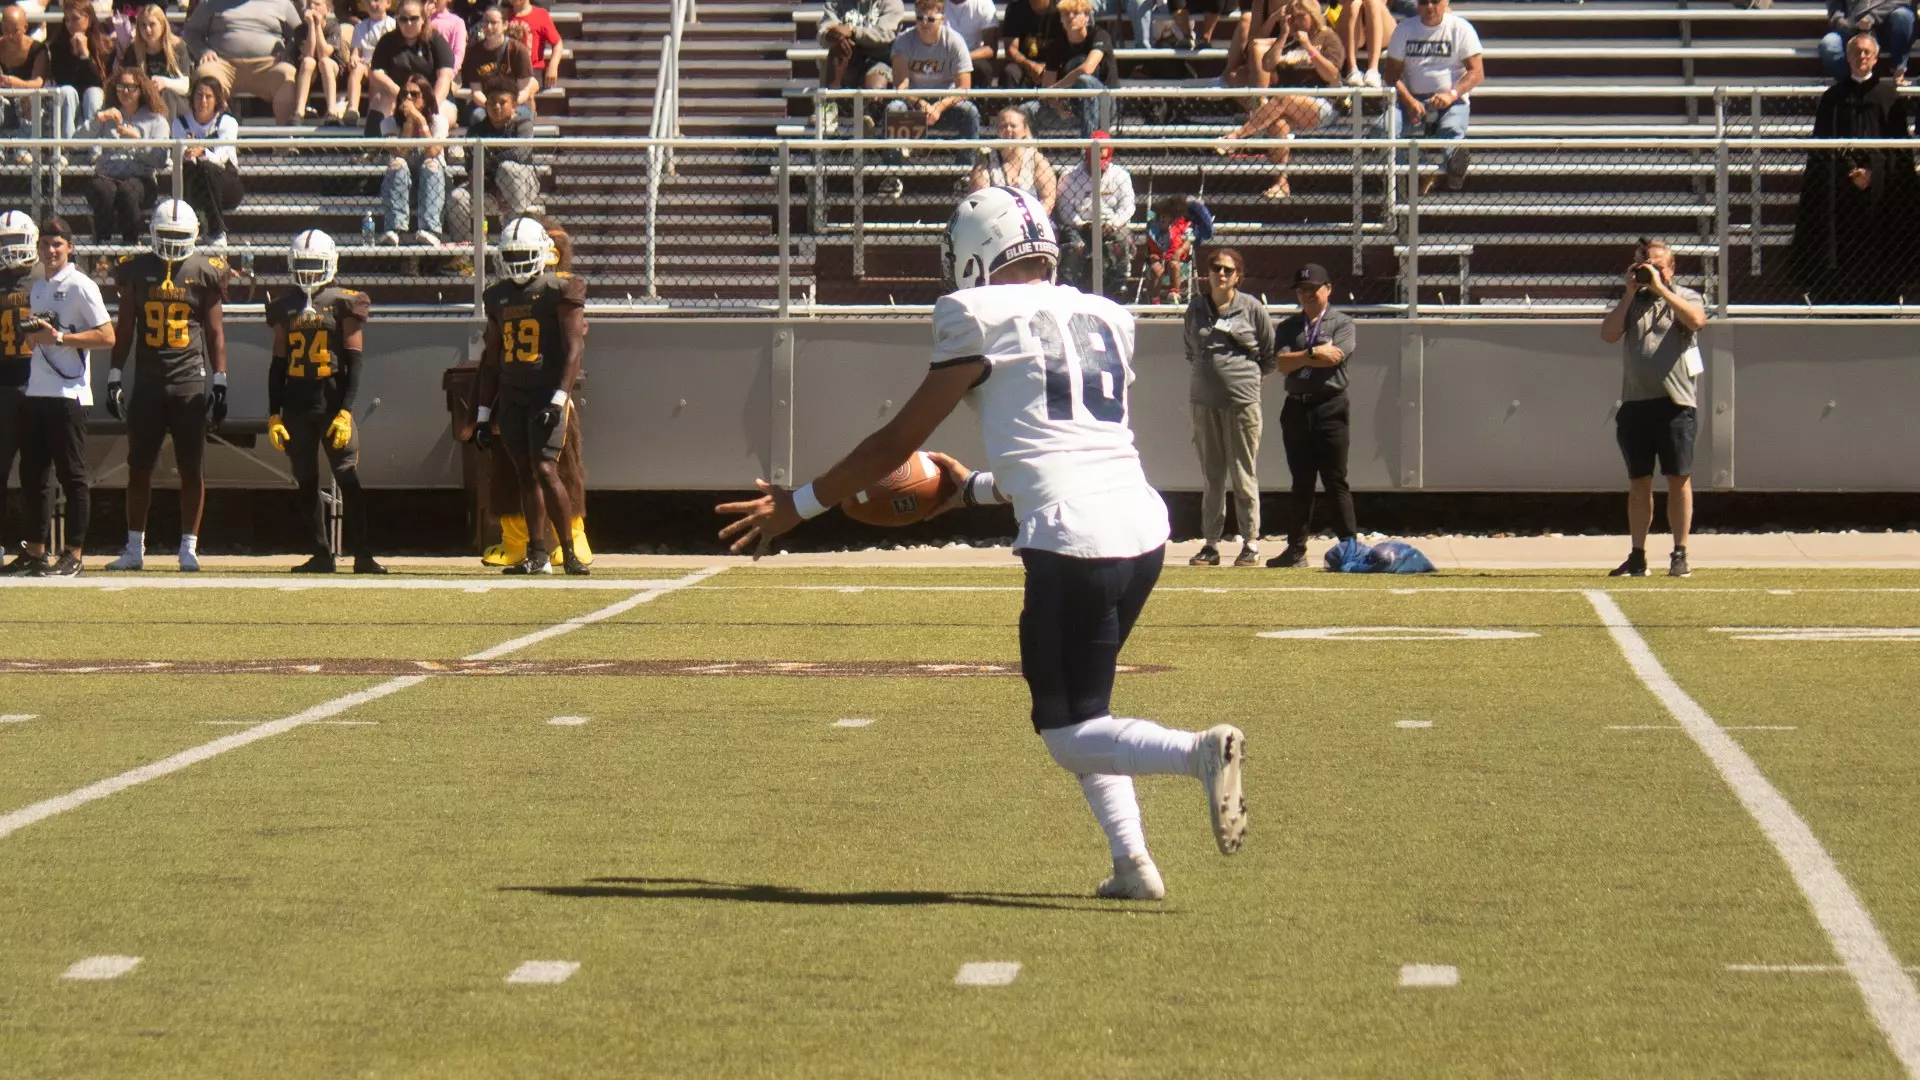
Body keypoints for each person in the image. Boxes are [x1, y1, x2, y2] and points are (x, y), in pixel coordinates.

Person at [716, 186, 1248, 902]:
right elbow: (1065, 446)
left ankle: (1197, 753)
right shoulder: (1104, 313)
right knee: (1092, 714)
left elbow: (897, 442)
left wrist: (799, 507)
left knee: (1065, 732)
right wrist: (972, 491)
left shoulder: (974, 313)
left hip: (1074, 540)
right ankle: (1133, 864)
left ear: (973, 256)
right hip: (1142, 529)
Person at [103, 199, 233, 573]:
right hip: (148, 383)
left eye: (179, 236)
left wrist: (220, 380)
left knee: (192, 468)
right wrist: (114, 373)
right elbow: (125, 328)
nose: (173, 244)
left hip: (189, 383)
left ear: (194, 235)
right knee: (138, 467)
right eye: (166, 236)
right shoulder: (136, 271)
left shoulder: (206, 271)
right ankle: (133, 548)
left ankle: (189, 547)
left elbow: (214, 331)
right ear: (152, 235)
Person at [464, 217, 588, 576]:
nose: (518, 261)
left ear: (545, 253)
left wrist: (559, 396)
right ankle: (537, 555)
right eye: (513, 254)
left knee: (547, 469)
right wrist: (484, 415)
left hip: (545, 394)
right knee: (524, 473)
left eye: (525, 253)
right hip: (513, 392)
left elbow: (573, 348)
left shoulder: (561, 288)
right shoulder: (499, 295)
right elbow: (491, 359)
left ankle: (569, 551)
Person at [265, 229, 385, 573]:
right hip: (297, 405)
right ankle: (321, 553)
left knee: (347, 475)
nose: (308, 271)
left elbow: (355, 361)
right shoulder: (284, 306)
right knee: (304, 479)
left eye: (314, 264)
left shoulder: (345, 301)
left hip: (332, 404)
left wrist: (345, 411)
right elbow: (277, 364)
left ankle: (363, 554)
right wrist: (274, 414)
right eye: (302, 264)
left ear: (330, 263)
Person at [1598, 237, 1708, 580]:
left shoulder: (1685, 295)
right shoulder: (1631, 300)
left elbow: (1696, 320)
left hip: (1675, 404)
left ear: (1672, 268)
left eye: (1658, 265)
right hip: (1635, 403)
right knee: (1639, 482)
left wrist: (1661, 288)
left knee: (1679, 479)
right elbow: (1609, 333)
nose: (1650, 271)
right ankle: (1637, 555)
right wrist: (1630, 292)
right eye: (1644, 265)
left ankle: (1679, 553)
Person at [11, 218, 112, 577]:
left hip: (69, 394)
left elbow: (107, 337)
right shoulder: (38, 287)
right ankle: (36, 551)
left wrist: (61, 339)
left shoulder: (81, 285)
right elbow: (43, 338)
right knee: (33, 474)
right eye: (46, 245)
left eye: (58, 244)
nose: (51, 251)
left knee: (72, 474)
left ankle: (74, 553)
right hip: (37, 390)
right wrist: (35, 337)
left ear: (70, 247)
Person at [1786, 33, 1920, 305]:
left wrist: (1873, 172)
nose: (1862, 57)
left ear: (1875, 57)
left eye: (1867, 53)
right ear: (1847, 58)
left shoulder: (1888, 97)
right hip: (1841, 196)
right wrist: (1851, 170)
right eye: (1857, 52)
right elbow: (1823, 149)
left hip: (1882, 199)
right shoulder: (1833, 99)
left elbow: (1899, 151)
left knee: (1883, 253)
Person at [1184, 246, 1273, 568]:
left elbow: (1269, 354)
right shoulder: (1195, 309)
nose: (1221, 274)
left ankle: (1250, 543)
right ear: (1207, 273)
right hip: (1204, 403)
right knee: (1212, 476)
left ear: (1238, 276)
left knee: (1243, 474)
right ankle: (1210, 543)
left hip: (1241, 403)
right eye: (1216, 268)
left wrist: (1245, 382)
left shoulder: (1251, 309)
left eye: (1228, 270)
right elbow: (1191, 350)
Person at [1268, 261, 1357, 568]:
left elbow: (1336, 357)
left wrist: (1301, 360)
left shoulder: (1342, 324)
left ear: (1327, 289)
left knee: (1335, 480)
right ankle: (1296, 550)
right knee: (1301, 481)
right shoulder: (1288, 327)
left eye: (1312, 288)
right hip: (1296, 407)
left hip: (1330, 406)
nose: (1306, 294)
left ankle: (1349, 548)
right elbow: (1281, 364)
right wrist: (1311, 354)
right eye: (1301, 289)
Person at [1216, 0, 1345, 200]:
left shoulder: (1328, 37)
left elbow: (1333, 74)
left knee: (1282, 98)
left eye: (1302, 17)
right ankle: (1281, 183)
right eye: (1294, 18)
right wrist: (1284, 35)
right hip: (1292, 106)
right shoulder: (1290, 39)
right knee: (1277, 123)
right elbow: (1267, 64)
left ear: (1313, 16)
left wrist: (1309, 47)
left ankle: (1237, 136)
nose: (1298, 22)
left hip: (1322, 103)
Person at [1377, 0, 1481, 193]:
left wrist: (1451, 94)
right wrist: (1409, 101)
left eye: (1436, 1)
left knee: (1450, 130)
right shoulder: (1404, 29)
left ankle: (1455, 165)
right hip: (1410, 100)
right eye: (1424, 2)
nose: (1430, 7)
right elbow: (1391, 75)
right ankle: (1421, 167)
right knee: (1380, 130)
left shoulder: (1461, 28)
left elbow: (1476, 73)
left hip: (1452, 101)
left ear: (1446, 2)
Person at [880, 0, 979, 187]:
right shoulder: (903, 41)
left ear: (942, 18)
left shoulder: (954, 41)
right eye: (920, 18)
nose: (924, 23)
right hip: (913, 102)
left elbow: (964, 88)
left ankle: (964, 173)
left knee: (970, 111)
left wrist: (939, 106)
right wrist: (920, 103)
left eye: (930, 19)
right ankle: (892, 174)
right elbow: (901, 86)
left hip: (946, 103)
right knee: (894, 108)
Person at [84, 69, 171, 263]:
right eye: (120, 87)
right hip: (108, 175)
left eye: (131, 87)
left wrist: (138, 142)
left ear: (141, 90)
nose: (124, 91)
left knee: (127, 191)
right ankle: (103, 249)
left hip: (142, 179)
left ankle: (130, 248)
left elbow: (160, 160)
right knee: (100, 189)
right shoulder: (106, 116)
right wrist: (97, 121)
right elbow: (74, 142)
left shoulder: (156, 121)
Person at [446, 76, 539, 243]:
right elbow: (473, 170)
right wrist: (494, 189)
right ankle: (463, 252)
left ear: (514, 105)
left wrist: (488, 162)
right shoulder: (476, 130)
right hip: (487, 188)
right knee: (456, 197)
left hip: (522, 186)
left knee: (508, 168)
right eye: (492, 102)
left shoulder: (523, 125)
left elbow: (519, 155)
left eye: (502, 102)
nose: (496, 107)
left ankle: (512, 239)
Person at [182, 0, 302, 127]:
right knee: (205, 75)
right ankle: (207, 137)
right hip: (224, 64)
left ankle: (285, 139)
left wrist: (288, 51)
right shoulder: (211, 2)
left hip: (268, 65)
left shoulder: (281, 3)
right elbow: (192, 32)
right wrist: (203, 50)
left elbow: (299, 33)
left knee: (287, 74)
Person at [1054, 131, 1134, 300]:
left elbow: (1127, 208)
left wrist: (1113, 223)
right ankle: (1069, 291)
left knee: (1120, 240)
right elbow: (1065, 208)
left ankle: (1117, 287)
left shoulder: (1121, 176)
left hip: (1110, 224)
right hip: (1080, 224)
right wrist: (1081, 224)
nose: (1099, 166)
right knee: (1073, 245)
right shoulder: (1069, 176)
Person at [0, 210, 36, 573]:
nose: (10, 250)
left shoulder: (46, 277)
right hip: (3, 384)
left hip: (39, 385)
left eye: (15, 241)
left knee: (36, 471)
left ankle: (34, 545)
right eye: (4, 242)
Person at [376, 73, 447, 246]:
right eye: (404, 94)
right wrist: (409, 122)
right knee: (397, 164)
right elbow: (401, 153)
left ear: (426, 98)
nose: (408, 97)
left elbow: (432, 151)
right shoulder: (389, 123)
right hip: (401, 184)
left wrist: (420, 119)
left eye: (414, 94)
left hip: (432, 183)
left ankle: (430, 230)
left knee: (431, 164)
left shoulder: (439, 122)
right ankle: (395, 229)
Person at [173, 76, 244, 247]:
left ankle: (216, 231)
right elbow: (181, 155)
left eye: (208, 96)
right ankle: (189, 226)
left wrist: (202, 151)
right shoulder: (180, 123)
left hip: (226, 183)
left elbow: (221, 157)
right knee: (192, 168)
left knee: (206, 167)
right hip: (194, 182)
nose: (203, 101)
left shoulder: (227, 122)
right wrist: (192, 154)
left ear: (217, 100)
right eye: (198, 95)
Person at [815, 0, 904, 133]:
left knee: (877, 80)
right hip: (847, 62)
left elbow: (886, 34)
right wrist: (834, 34)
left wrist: (852, 31)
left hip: (878, 60)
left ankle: (870, 117)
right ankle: (830, 107)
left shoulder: (891, 2)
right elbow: (824, 31)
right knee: (839, 47)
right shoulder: (836, 3)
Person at [367, 0, 454, 135]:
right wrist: (400, 95)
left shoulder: (436, 40)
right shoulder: (387, 41)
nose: (408, 23)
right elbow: (377, 73)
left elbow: (445, 76)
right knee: (379, 101)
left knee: (440, 117)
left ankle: (436, 153)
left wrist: (430, 104)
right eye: (403, 19)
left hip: (433, 100)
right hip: (399, 97)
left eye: (414, 18)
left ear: (423, 19)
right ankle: (370, 150)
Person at [1031, 0, 1112, 139]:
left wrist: (1056, 89)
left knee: (1085, 81)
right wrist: (1057, 105)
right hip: (1069, 107)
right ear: (1061, 19)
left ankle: (1089, 153)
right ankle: (1030, 158)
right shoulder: (1056, 45)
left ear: (1087, 16)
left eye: (1076, 13)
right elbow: (1046, 87)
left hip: (1104, 104)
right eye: (1066, 14)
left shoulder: (1099, 35)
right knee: (1026, 111)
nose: (1071, 17)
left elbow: (1087, 68)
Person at [967, 106, 1058, 213]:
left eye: (1013, 126)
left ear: (1024, 130)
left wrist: (1033, 218)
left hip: (1032, 217)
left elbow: (1048, 199)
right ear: (998, 130)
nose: (1008, 129)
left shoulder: (1036, 159)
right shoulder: (986, 161)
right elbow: (979, 200)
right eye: (1004, 126)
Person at [46, 1, 113, 139]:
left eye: (75, 19)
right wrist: (75, 56)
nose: (70, 24)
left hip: (93, 98)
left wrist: (85, 55)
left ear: (88, 19)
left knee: (93, 92)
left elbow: (100, 82)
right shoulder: (58, 45)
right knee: (67, 91)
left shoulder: (104, 44)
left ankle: (95, 148)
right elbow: (63, 80)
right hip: (70, 98)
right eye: (67, 20)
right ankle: (67, 146)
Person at [457, 5, 533, 123]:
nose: (488, 27)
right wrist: (491, 107)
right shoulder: (474, 51)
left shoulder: (518, 50)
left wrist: (508, 108)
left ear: (505, 25)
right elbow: (476, 91)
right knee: (477, 116)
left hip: (515, 104)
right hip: (485, 104)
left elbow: (524, 90)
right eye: (485, 22)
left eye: (493, 23)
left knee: (523, 117)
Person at [117, 4, 194, 118]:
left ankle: (165, 134)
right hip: (145, 102)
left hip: (175, 103)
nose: (147, 30)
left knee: (166, 94)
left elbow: (185, 86)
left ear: (162, 25)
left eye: (152, 24)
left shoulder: (177, 47)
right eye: (143, 25)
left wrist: (164, 82)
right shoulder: (133, 50)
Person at [1819, 0, 1914, 79]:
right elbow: (1835, 7)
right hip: (1852, 27)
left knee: (1903, 16)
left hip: (1886, 28)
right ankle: (1848, 83)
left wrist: (1872, 17)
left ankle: (1899, 69)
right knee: (1829, 44)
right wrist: (1843, 23)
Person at [0, 8, 50, 154]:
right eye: (5, 30)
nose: (10, 36)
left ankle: (22, 151)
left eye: (15, 31)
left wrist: (18, 84)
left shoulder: (37, 49)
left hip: (28, 104)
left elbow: (38, 82)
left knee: (31, 102)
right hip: (4, 103)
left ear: (25, 27)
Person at [340, 0, 394, 126]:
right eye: (369, 1)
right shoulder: (360, 27)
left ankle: (373, 115)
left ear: (388, 3)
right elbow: (356, 51)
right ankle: (352, 109)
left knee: (377, 74)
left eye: (377, 1)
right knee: (356, 69)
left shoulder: (393, 25)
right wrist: (354, 58)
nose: (373, 5)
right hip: (365, 64)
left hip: (384, 65)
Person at [290, 0, 343, 121]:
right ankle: (299, 112)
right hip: (309, 73)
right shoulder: (300, 29)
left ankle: (331, 111)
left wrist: (318, 26)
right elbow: (309, 52)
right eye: (309, 5)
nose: (312, 7)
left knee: (324, 62)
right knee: (308, 61)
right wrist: (311, 26)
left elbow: (324, 53)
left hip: (331, 71)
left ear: (327, 9)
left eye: (317, 4)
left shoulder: (334, 26)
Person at [1142, 194, 1194, 303]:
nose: (1163, 218)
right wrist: (1151, 256)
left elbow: (1189, 240)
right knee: (1157, 271)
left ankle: (1175, 292)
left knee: (1174, 265)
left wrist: (1180, 251)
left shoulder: (1179, 226)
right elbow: (1148, 246)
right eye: (1161, 216)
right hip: (1157, 258)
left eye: (1166, 216)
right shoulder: (1153, 229)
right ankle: (1155, 298)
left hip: (1174, 258)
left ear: (1173, 218)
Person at [1000, 0, 1060, 88]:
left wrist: (1049, 68)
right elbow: (1011, 50)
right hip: (1024, 65)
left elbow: (1068, 46)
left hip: (1057, 64)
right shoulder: (1015, 9)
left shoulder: (1061, 7)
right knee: (1010, 72)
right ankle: (1012, 102)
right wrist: (1030, 66)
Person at [506, 0, 561, 93]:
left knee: (526, 89)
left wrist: (553, 66)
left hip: (533, 70)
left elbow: (557, 44)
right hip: (508, 70)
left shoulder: (540, 15)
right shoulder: (503, 16)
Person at [946, 0, 999, 78]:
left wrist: (962, 58)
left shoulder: (983, 3)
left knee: (979, 67)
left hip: (973, 57)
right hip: (941, 57)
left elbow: (990, 49)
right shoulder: (935, 3)